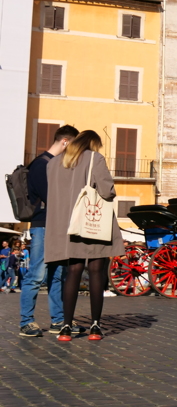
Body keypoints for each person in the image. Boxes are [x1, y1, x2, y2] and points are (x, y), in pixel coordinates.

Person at [45, 130, 126, 341]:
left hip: (65, 225)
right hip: (91, 222)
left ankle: (65, 327)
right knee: (96, 271)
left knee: (73, 271)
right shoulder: (94, 158)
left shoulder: (53, 163)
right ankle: (96, 326)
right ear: (92, 143)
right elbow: (107, 191)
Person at [17, 125, 79, 336]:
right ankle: (26, 321)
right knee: (36, 274)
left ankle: (58, 320)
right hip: (42, 226)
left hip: (56, 226)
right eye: (74, 146)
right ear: (66, 142)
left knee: (57, 274)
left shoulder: (51, 164)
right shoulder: (41, 165)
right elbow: (53, 197)